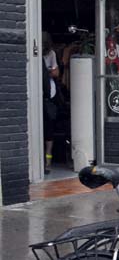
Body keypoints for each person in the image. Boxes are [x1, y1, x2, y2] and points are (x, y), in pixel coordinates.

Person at [41, 34, 60, 174]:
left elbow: (56, 72)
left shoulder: (51, 53)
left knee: (49, 129)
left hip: (49, 95)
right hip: (38, 95)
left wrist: (44, 72)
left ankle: (48, 161)